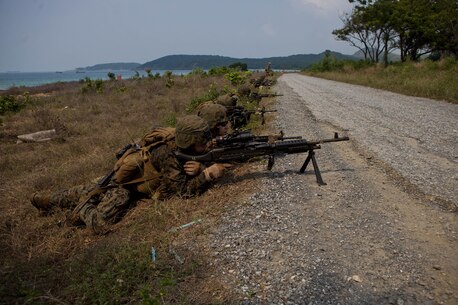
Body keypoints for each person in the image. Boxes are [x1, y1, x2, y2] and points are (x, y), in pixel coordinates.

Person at [31, 115, 230, 234]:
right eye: (201, 141)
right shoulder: (165, 153)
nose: (206, 144)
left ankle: (49, 201)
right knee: (99, 222)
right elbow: (180, 192)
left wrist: (197, 165)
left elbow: (202, 154)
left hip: (125, 179)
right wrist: (207, 175)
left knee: (84, 189)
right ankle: (78, 207)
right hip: (123, 188)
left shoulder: (181, 145)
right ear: (189, 140)